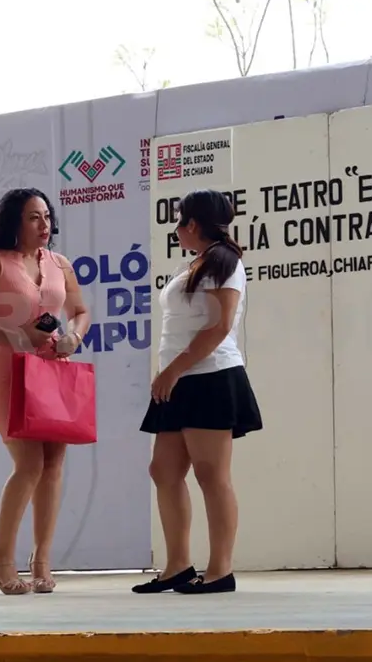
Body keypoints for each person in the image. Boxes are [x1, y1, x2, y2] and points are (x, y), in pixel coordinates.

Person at [0, 187, 90, 595]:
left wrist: (74, 338)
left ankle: (41, 561)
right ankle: (0, 558)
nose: (44, 224)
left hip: (53, 370)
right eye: (34, 217)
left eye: (47, 216)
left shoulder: (60, 264)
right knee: (29, 464)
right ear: (14, 220)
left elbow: (80, 312)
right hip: (9, 371)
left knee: (53, 465)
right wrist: (17, 336)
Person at [133, 188, 262, 595]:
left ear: (192, 223)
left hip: (210, 378)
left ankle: (220, 569)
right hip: (180, 380)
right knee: (164, 471)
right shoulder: (195, 263)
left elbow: (219, 327)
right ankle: (177, 565)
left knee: (211, 474)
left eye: (179, 221)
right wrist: (170, 372)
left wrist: (173, 369)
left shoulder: (226, 262)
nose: (176, 229)